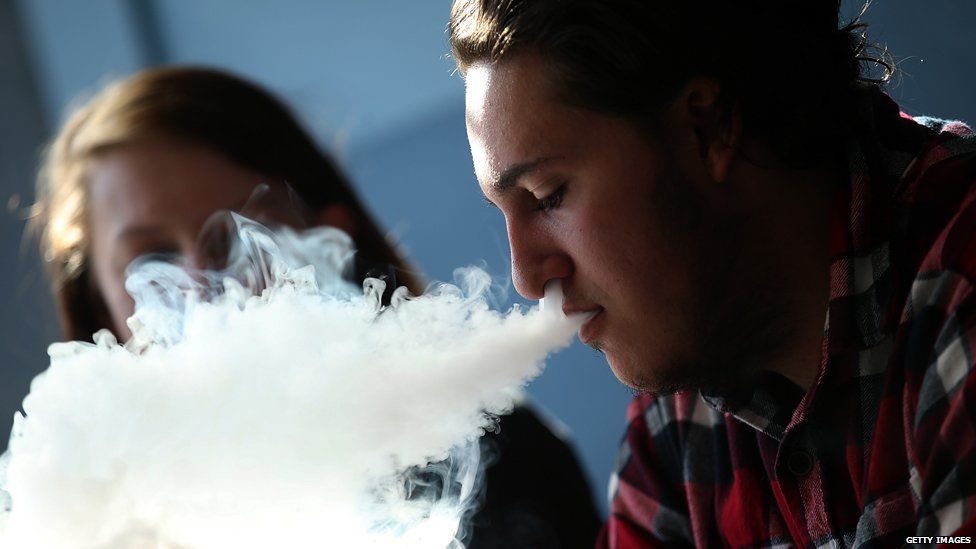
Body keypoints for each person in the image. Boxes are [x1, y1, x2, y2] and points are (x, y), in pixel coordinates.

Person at [449, 0, 976, 546]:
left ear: (708, 127)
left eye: (547, 195)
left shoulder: (960, 287)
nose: (528, 279)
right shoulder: (677, 422)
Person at [30, 66, 601, 548]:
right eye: (152, 255)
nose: (204, 286)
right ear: (101, 312)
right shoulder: (90, 520)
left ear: (331, 239)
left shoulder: (491, 452)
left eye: (236, 234)